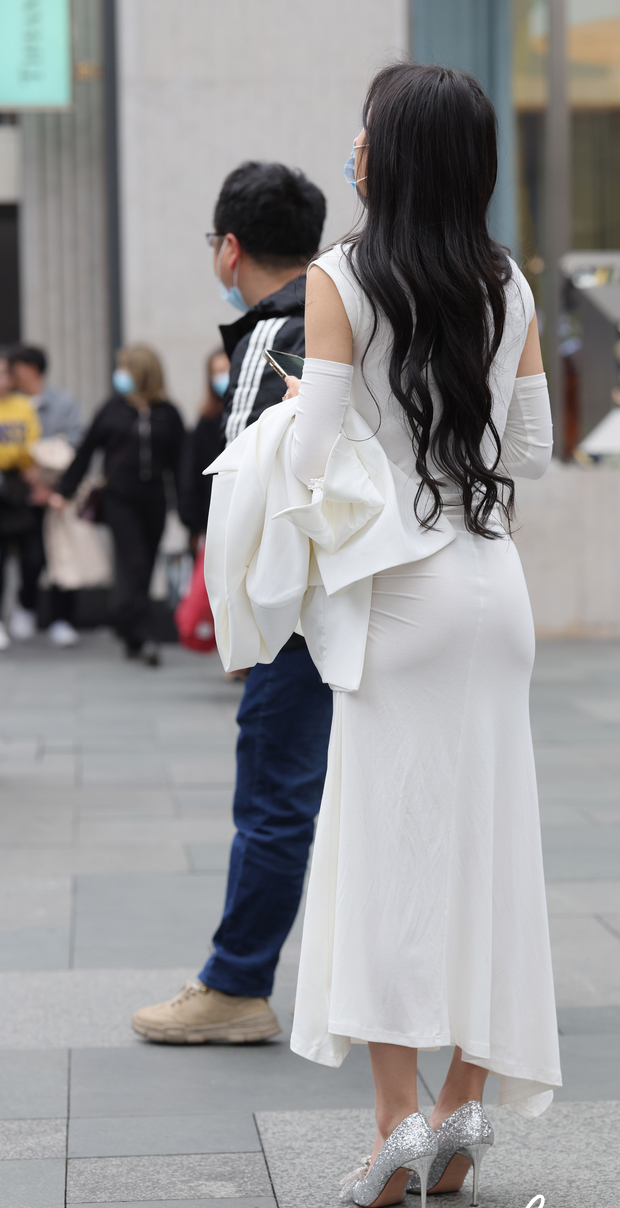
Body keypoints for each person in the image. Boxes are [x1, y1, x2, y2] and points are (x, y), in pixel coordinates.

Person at [280, 63, 561, 1208]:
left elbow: (310, 458)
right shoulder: (507, 282)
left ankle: (395, 1118)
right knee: (491, 842)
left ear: (388, 153)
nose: (353, 143)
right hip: (493, 584)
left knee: (385, 851)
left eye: (366, 129)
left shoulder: (339, 277)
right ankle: (464, 1101)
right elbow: (530, 450)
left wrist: (314, 421)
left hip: (398, 592)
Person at [131, 162, 333, 1042]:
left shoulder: (273, 333)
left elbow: (246, 488)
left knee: (276, 793)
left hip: (302, 611)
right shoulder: (345, 314)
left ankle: (237, 986)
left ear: (230, 248)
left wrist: (241, 620)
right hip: (382, 592)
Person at [54, 345, 185, 666]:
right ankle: (146, 635)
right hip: (118, 499)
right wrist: (64, 490)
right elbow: (87, 450)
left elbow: (181, 463)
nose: (120, 375)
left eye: (126, 368)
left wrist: (188, 507)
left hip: (154, 498)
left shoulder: (168, 412)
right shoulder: (113, 409)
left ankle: (129, 629)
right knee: (135, 562)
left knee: (145, 565)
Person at [9, 344, 87, 647]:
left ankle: (62, 618)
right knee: (32, 557)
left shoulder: (63, 403)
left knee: (64, 556)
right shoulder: (12, 403)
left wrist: (53, 484)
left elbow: (75, 444)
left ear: (31, 369)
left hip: (58, 493)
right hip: (23, 493)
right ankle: (26, 605)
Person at [0, 352, 41, 652]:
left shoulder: (23, 405)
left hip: (19, 486)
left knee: (33, 556)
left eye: (5, 374)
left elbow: (32, 446)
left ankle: (26, 607)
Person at [177, 349, 230, 546]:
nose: (223, 377)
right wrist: (194, 524)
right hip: (211, 518)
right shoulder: (206, 422)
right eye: (217, 372)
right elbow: (192, 473)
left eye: (226, 370)